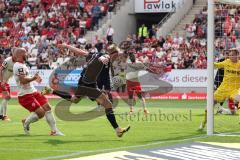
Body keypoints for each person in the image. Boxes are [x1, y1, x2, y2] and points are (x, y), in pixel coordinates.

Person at [42, 43, 130, 137]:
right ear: (114, 53)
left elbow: (81, 52)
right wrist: (104, 58)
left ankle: (51, 91)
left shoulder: (96, 54)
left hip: (86, 82)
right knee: (108, 104)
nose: (118, 56)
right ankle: (118, 130)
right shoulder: (106, 57)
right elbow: (104, 59)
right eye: (117, 54)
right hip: (87, 84)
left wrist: (67, 46)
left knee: (74, 99)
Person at [13, 48, 64, 136]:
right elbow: (23, 80)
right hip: (25, 95)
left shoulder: (23, 65)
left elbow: (26, 77)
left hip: (33, 91)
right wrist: (33, 78)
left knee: (47, 107)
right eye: (25, 53)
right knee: (41, 113)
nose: (27, 54)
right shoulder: (18, 66)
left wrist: (34, 78)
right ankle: (26, 122)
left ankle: (54, 131)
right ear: (20, 54)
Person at [199, 48, 240, 130]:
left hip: (234, 89)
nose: (230, 56)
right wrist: (207, 61)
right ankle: (203, 123)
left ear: (237, 56)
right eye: (230, 55)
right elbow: (216, 65)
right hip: (223, 89)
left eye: (232, 55)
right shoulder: (226, 62)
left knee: (239, 99)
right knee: (210, 104)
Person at [0, 50, 16, 121]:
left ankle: (2, 115)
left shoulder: (17, 62)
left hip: (6, 82)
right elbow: (0, 69)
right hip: (2, 81)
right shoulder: (7, 61)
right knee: (6, 97)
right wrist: (2, 81)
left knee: (6, 98)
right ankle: (3, 116)